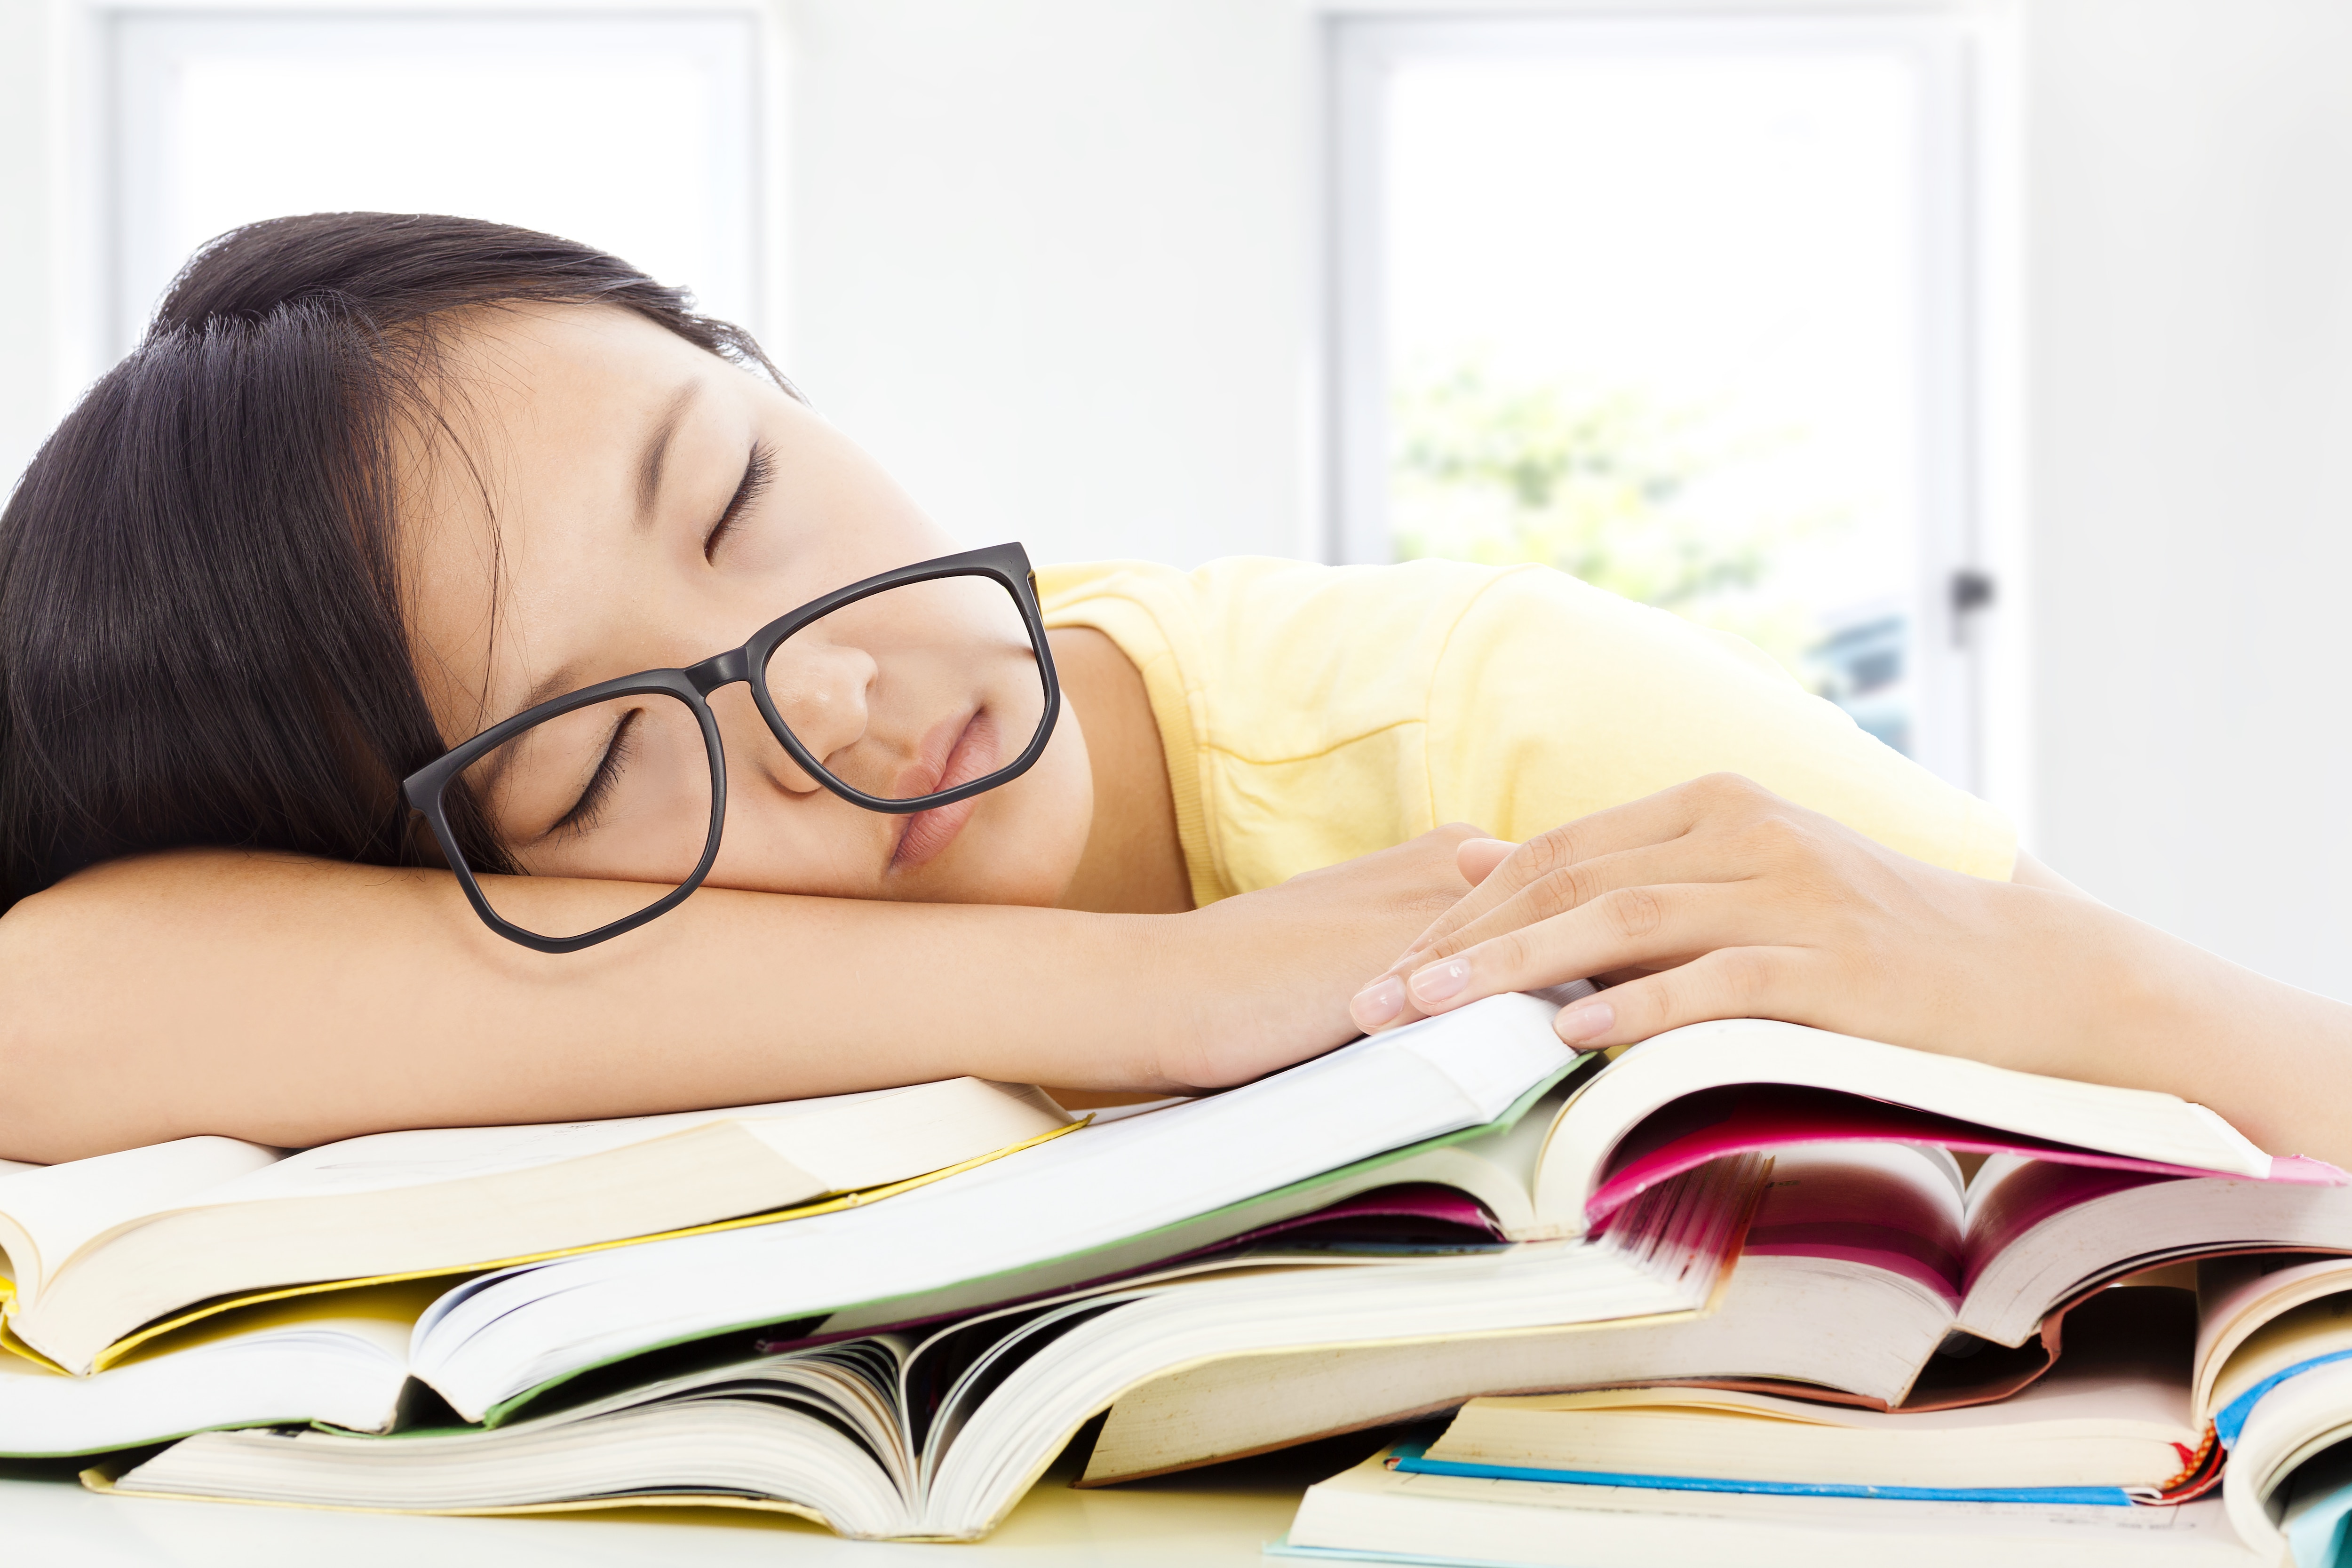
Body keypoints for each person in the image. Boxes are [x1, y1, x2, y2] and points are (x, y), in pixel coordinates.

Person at [0, 214, 2342, 1170]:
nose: (837, 694)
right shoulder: (511, 991)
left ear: (767, 374)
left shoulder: (1468, 723)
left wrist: (2048, 965)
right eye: (610, 755)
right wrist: (1156, 992)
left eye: (735, 495)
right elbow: (59, 998)